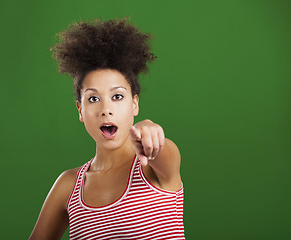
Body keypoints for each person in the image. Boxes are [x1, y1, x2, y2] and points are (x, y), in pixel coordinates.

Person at [29, 17, 185, 240]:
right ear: (80, 110)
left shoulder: (155, 168)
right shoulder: (68, 186)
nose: (106, 109)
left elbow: (163, 151)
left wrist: (151, 131)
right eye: (93, 99)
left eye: (117, 96)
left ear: (135, 104)